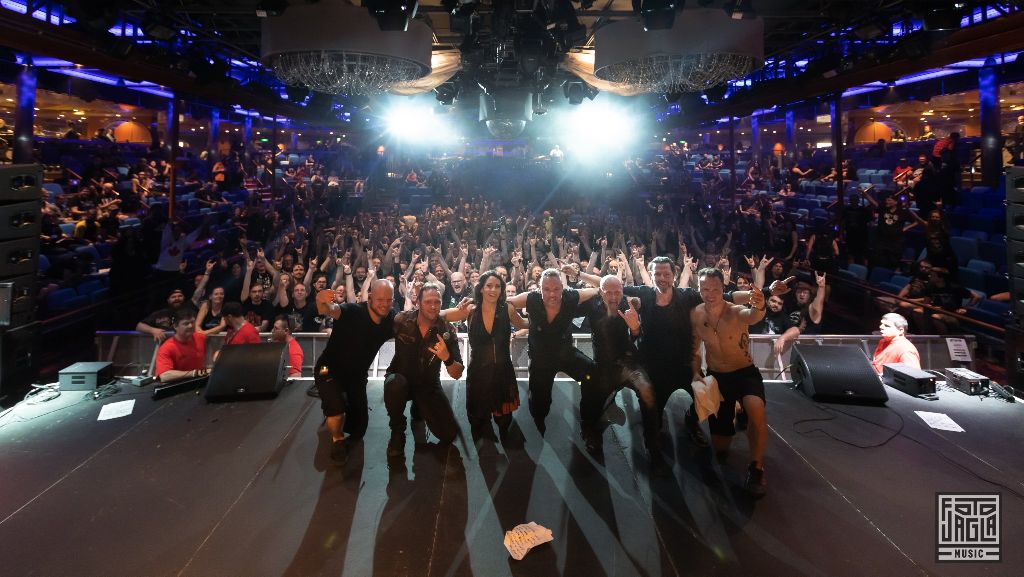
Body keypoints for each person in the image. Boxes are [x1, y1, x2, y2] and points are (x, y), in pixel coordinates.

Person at [690, 267, 768, 496]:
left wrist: (760, 303)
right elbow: (695, 350)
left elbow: (754, 316)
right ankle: (734, 409)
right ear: (699, 289)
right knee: (721, 447)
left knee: (756, 409)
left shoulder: (735, 311)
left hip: (744, 372)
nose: (710, 293)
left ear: (723, 289)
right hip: (717, 376)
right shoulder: (696, 313)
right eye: (705, 289)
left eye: (715, 289)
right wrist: (696, 373)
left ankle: (756, 467)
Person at [506, 269, 600, 436]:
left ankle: (588, 420)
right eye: (547, 289)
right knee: (539, 407)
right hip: (540, 360)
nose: (552, 294)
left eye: (556, 289)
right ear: (539, 289)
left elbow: (602, 286)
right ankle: (539, 420)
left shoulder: (571, 296)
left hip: (566, 355)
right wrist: (518, 321)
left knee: (591, 377)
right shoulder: (531, 298)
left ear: (562, 288)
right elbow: (507, 303)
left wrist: (578, 273)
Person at [584, 275, 665, 470]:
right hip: (603, 366)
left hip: (629, 363)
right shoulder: (590, 306)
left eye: (617, 292)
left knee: (647, 390)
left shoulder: (632, 304)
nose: (613, 297)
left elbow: (640, 335)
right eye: (608, 292)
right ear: (601, 292)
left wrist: (635, 328)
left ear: (622, 290)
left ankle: (653, 446)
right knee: (590, 396)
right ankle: (590, 431)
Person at [314, 280, 397, 464]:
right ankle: (337, 439)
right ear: (370, 297)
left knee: (359, 430)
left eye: (389, 300)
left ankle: (336, 401)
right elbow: (326, 308)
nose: (384, 304)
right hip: (329, 370)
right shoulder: (352, 311)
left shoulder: (390, 318)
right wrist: (321, 298)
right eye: (380, 299)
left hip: (356, 377)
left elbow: (416, 320)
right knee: (336, 410)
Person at [441, 271, 529, 444]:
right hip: (478, 373)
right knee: (479, 421)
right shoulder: (470, 309)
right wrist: (420, 312)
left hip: (503, 373)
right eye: (489, 286)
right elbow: (444, 314)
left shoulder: (508, 308)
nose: (493, 290)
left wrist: (546, 318)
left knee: (504, 421)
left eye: (497, 286)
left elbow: (525, 324)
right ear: (480, 288)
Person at [383, 283, 465, 458]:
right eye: (428, 301)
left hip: (428, 385)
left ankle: (419, 408)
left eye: (437, 301)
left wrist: (447, 357)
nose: (433, 306)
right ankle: (397, 430)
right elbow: (375, 332)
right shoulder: (401, 320)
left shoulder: (446, 330)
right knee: (394, 385)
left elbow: (457, 373)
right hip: (401, 379)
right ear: (418, 303)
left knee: (449, 435)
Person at [154, 311, 209, 382]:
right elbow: (164, 376)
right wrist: (194, 373)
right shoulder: (167, 348)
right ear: (175, 326)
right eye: (186, 323)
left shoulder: (201, 338)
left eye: (192, 322)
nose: (191, 326)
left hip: (200, 383)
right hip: (178, 386)